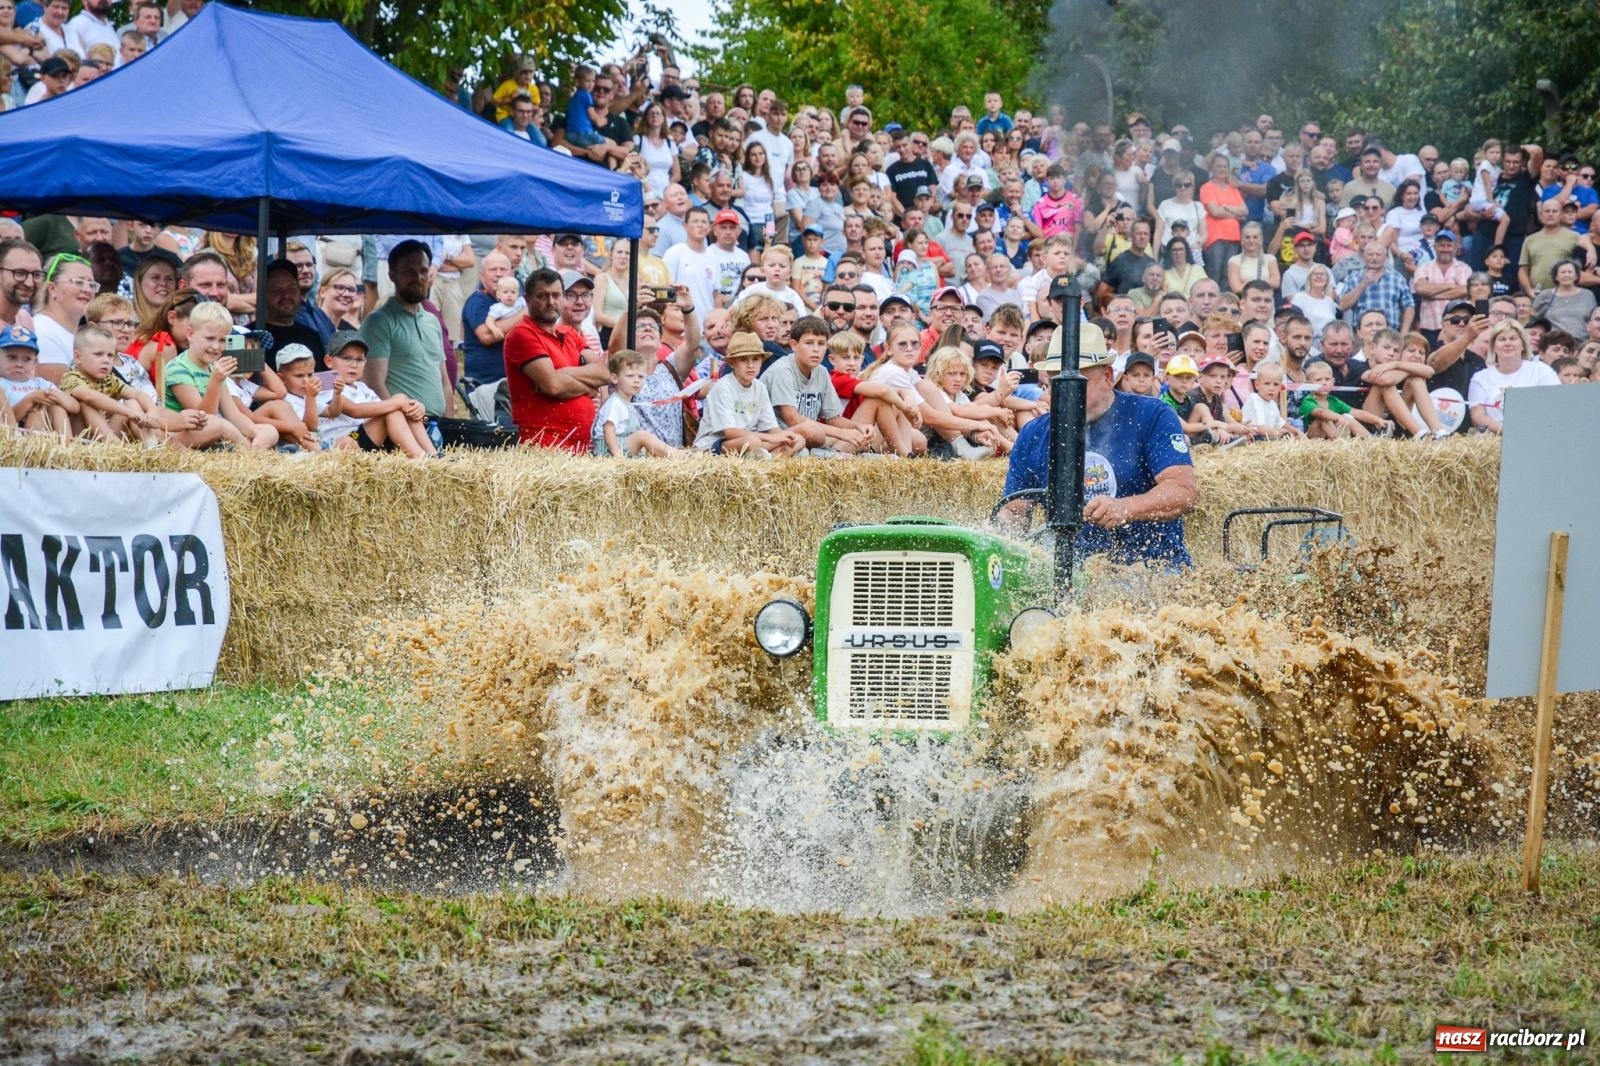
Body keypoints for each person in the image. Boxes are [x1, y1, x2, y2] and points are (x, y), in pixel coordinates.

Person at [998, 322, 1197, 567]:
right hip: (1073, 572)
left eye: (1077, 383)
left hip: (1152, 567)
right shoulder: (1034, 434)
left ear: (1107, 376)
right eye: (1056, 383)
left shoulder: (1151, 415)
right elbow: (1015, 511)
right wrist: (999, 529)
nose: (1066, 394)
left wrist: (1125, 508)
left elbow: (1183, 491)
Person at [503, 268, 609, 451]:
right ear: (527, 299)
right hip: (543, 448)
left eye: (556, 295)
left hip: (578, 450)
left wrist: (565, 373)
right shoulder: (521, 334)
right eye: (542, 296)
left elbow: (604, 373)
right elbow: (553, 386)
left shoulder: (569, 333)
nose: (551, 302)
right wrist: (589, 387)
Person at [360, 240, 453, 418]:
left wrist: (449, 426)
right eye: (409, 271)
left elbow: (445, 382)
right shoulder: (378, 322)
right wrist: (402, 425)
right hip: (405, 431)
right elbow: (373, 385)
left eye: (423, 271)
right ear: (392, 275)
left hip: (437, 428)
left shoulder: (432, 320)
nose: (418, 277)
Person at [761, 315, 875, 454]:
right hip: (781, 435)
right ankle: (827, 455)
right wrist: (842, 433)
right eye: (809, 343)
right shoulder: (782, 370)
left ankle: (833, 454)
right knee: (813, 431)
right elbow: (793, 419)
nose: (816, 349)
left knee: (860, 438)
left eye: (821, 344)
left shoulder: (821, 371)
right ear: (794, 345)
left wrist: (857, 427)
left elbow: (832, 418)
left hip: (813, 437)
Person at [316, 330, 434, 458]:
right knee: (395, 404)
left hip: (367, 437)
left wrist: (416, 407)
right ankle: (420, 458)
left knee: (398, 402)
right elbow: (355, 411)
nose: (353, 365)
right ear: (328, 361)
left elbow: (386, 408)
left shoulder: (363, 388)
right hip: (345, 443)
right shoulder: (325, 386)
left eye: (359, 359)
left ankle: (433, 454)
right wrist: (400, 402)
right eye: (346, 358)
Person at [693, 330, 805, 456]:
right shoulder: (722, 387)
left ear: (761, 362)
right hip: (714, 443)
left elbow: (770, 427)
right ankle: (765, 456)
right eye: (743, 360)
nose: (750, 365)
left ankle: (769, 460)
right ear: (732, 363)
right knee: (752, 442)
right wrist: (772, 439)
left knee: (799, 439)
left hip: (751, 439)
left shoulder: (760, 387)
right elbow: (729, 432)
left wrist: (782, 436)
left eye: (755, 359)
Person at [59, 323, 164, 443]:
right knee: (87, 404)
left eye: (110, 355)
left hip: (102, 434)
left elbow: (137, 394)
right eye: (98, 354)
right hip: (82, 438)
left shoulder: (108, 379)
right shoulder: (71, 377)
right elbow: (89, 397)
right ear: (78, 357)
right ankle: (114, 446)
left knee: (132, 402)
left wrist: (152, 411)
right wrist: (129, 413)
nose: (106, 360)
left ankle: (151, 444)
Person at [1468, 318, 1559, 434]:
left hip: (1537, 434)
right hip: (1495, 438)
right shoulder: (1480, 378)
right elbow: (1477, 416)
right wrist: (1508, 432)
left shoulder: (1542, 371)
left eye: (1513, 338)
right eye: (1502, 339)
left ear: (1523, 345)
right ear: (1494, 347)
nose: (1507, 343)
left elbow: (1554, 406)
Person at [592, 348, 678, 457]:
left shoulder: (625, 402)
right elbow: (608, 429)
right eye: (630, 376)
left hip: (621, 445)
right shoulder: (615, 403)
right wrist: (617, 456)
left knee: (644, 438)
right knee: (642, 436)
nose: (636, 380)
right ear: (614, 378)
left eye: (641, 376)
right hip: (607, 451)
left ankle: (670, 454)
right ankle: (677, 455)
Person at [0, 323, 76, 438]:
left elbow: (75, 407)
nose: (19, 364)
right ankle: (36, 452)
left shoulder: (40, 383)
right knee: (35, 412)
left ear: (34, 363)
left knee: (57, 408)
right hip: (17, 439)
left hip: (48, 435)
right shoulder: (2, 385)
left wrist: (54, 395)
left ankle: (67, 449)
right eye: (12, 357)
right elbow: (8, 422)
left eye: (27, 359)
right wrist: (31, 399)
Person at [1300, 359, 1385, 439]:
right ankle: (1339, 444)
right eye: (1318, 380)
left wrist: (1378, 420)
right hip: (1313, 438)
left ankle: (1371, 440)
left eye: (1327, 379)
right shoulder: (1308, 401)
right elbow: (1321, 412)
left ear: (1333, 382)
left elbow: (1356, 412)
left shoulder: (1333, 400)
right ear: (1308, 384)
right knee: (1324, 418)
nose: (1324, 383)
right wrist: (1338, 417)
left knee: (1347, 416)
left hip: (1330, 435)